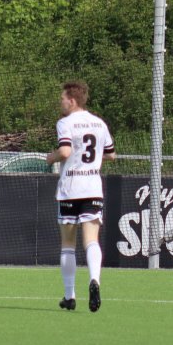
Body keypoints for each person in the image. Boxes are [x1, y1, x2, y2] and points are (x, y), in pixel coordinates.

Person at [45, 80, 115, 313]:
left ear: (72, 101)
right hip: (92, 187)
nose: (60, 102)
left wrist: (51, 158)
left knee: (68, 243)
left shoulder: (65, 123)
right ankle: (94, 280)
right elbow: (111, 155)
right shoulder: (99, 123)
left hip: (70, 188)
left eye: (62, 99)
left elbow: (65, 151)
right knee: (91, 240)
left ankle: (69, 296)